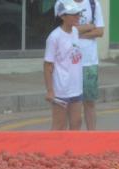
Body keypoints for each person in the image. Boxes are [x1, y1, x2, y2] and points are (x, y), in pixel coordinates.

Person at [55, 0, 105, 130]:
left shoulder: (94, 4)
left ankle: (91, 138)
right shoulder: (62, 3)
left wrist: (76, 33)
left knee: (89, 102)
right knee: (66, 103)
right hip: (67, 64)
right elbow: (63, 29)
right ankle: (64, 139)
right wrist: (89, 26)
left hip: (89, 62)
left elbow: (100, 31)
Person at [44, 0, 84, 131]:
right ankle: (53, 151)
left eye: (78, 13)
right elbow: (48, 66)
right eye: (73, 14)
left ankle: (73, 151)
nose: (78, 16)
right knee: (59, 126)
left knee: (76, 123)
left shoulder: (75, 32)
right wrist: (50, 90)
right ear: (62, 16)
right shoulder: (54, 37)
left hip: (76, 87)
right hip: (61, 89)